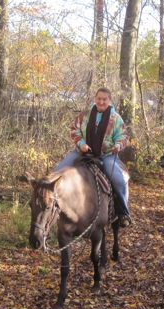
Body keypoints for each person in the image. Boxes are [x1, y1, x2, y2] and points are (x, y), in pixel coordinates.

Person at [54, 87, 132, 227]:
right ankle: (53, 207)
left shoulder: (115, 118)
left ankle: (123, 212)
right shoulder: (85, 114)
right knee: (58, 171)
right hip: (83, 152)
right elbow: (74, 129)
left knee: (118, 179)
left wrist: (118, 146)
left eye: (104, 99)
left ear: (109, 100)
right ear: (95, 99)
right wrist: (81, 143)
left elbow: (124, 136)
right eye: (99, 99)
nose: (101, 102)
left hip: (106, 155)